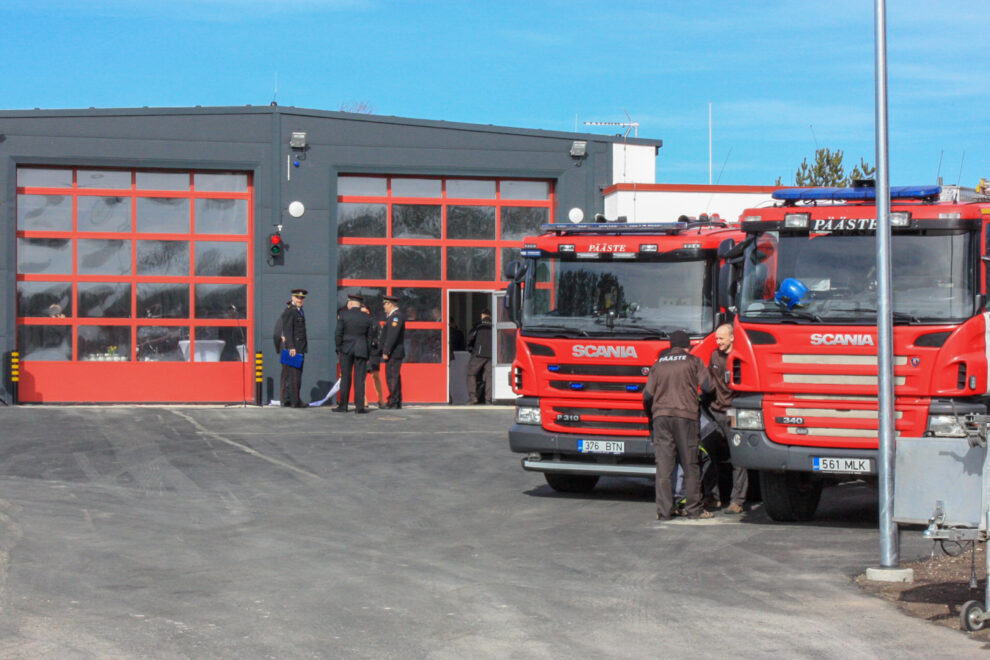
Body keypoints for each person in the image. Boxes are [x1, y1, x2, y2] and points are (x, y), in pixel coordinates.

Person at [643, 329, 714, 521]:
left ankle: (664, 512)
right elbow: (708, 387)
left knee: (664, 467)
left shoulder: (658, 365)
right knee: (690, 464)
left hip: (661, 418)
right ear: (687, 346)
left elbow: (647, 396)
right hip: (686, 417)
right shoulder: (693, 361)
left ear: (671, 346)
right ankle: (694, 510)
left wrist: (652, 417)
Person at [709, 323, 749, 515]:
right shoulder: (714, 356)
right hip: (716, 411)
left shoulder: (740, 357)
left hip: (733, 412)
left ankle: (737, 501)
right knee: (711, 456)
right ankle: (714, 497)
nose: (718, 342)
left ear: (732, 338)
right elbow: (709, 381)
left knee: (738, 458)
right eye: (717, 339)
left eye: (722, 338)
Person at [333, 293, 377, 414]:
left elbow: (338, 334)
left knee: (345, 378)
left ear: (351, 303)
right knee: (360, 379)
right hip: (361, 349)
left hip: (346, 349)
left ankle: (343, 406)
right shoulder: (367, 317)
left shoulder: (343, 315)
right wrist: (368, 352)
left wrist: (338, 349)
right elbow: (370, 337)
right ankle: (359, 407)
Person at [280, 288, 308, 408]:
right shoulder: (290, 311)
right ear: (292, 297)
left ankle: (287, 399)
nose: (299, 300)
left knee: (291, 375)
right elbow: (287, 330)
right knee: (294, 376)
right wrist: (291, 347)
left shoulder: (299, 311)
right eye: (297, 297)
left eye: (302, 298)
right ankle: (295, 401)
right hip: (294, 348)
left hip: (298, 347)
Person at [380, 294, 406, 409]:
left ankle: (393, 401)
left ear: (390, 304)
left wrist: (386, 351)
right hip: (394, 352)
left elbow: (392, 336)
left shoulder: (396, 317)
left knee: (392, 377)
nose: (384, 307)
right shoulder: (392, 317)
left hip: (394, 352)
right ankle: (396, 400)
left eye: (385, 304)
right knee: (394, 376)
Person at [466, 309, 493, 405]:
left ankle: (472, 397)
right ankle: (489, 399)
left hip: (479, 353)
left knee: (471, 373)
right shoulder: (494, 325)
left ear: (482, 315)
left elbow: (470, 338)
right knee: (490, 377)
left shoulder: (478, 325)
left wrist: (470, 348)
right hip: (492, 354)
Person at [361, 303, 386, 408]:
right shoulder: (358, 323)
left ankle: (380, 399)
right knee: (362, 376)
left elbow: (380, 337)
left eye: (367, 312)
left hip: (373, 352)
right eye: (363, 312)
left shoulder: (375, 322)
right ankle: (364, 400)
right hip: (362, 351)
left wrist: (378, 348)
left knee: (375, 375)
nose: (365, 314)